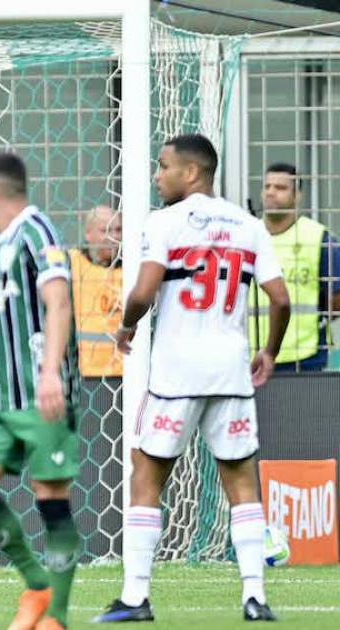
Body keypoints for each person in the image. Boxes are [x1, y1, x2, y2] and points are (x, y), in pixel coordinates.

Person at [95, 134, 289, 623]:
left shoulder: (165, 222)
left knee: (147, 475)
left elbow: (143, 289)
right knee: (241, 480)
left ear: (192, 172)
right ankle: (255, 597)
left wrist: (127, 326)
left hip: (177, 373)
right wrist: (269, 351)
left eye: (163, 166)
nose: (157, 175)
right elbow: (281, 300)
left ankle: (136, 598)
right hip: (230, 372)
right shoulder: (248, 225)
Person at [0, 153, 82, 630]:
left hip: (42, 393)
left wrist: (49, 374)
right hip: (1, 397)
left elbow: (59, 303)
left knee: (51, 500)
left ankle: (56, 618)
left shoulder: (36, 232)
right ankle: (37, 584)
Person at [249, 162, 340, 372]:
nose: (271, 193)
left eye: (280, 188)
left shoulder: (318, 238)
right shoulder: (247, 234)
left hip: (305, 356)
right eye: (267, 186)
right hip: (251, 354)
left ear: (297, 196)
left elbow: (336, 298)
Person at [69, 205, 124, 377]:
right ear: (88, 234)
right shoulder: (72, 263)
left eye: (118, 230)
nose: (113, 237)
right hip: (83, 372)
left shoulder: (133, 268)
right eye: (105, 230)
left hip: (125, 373)